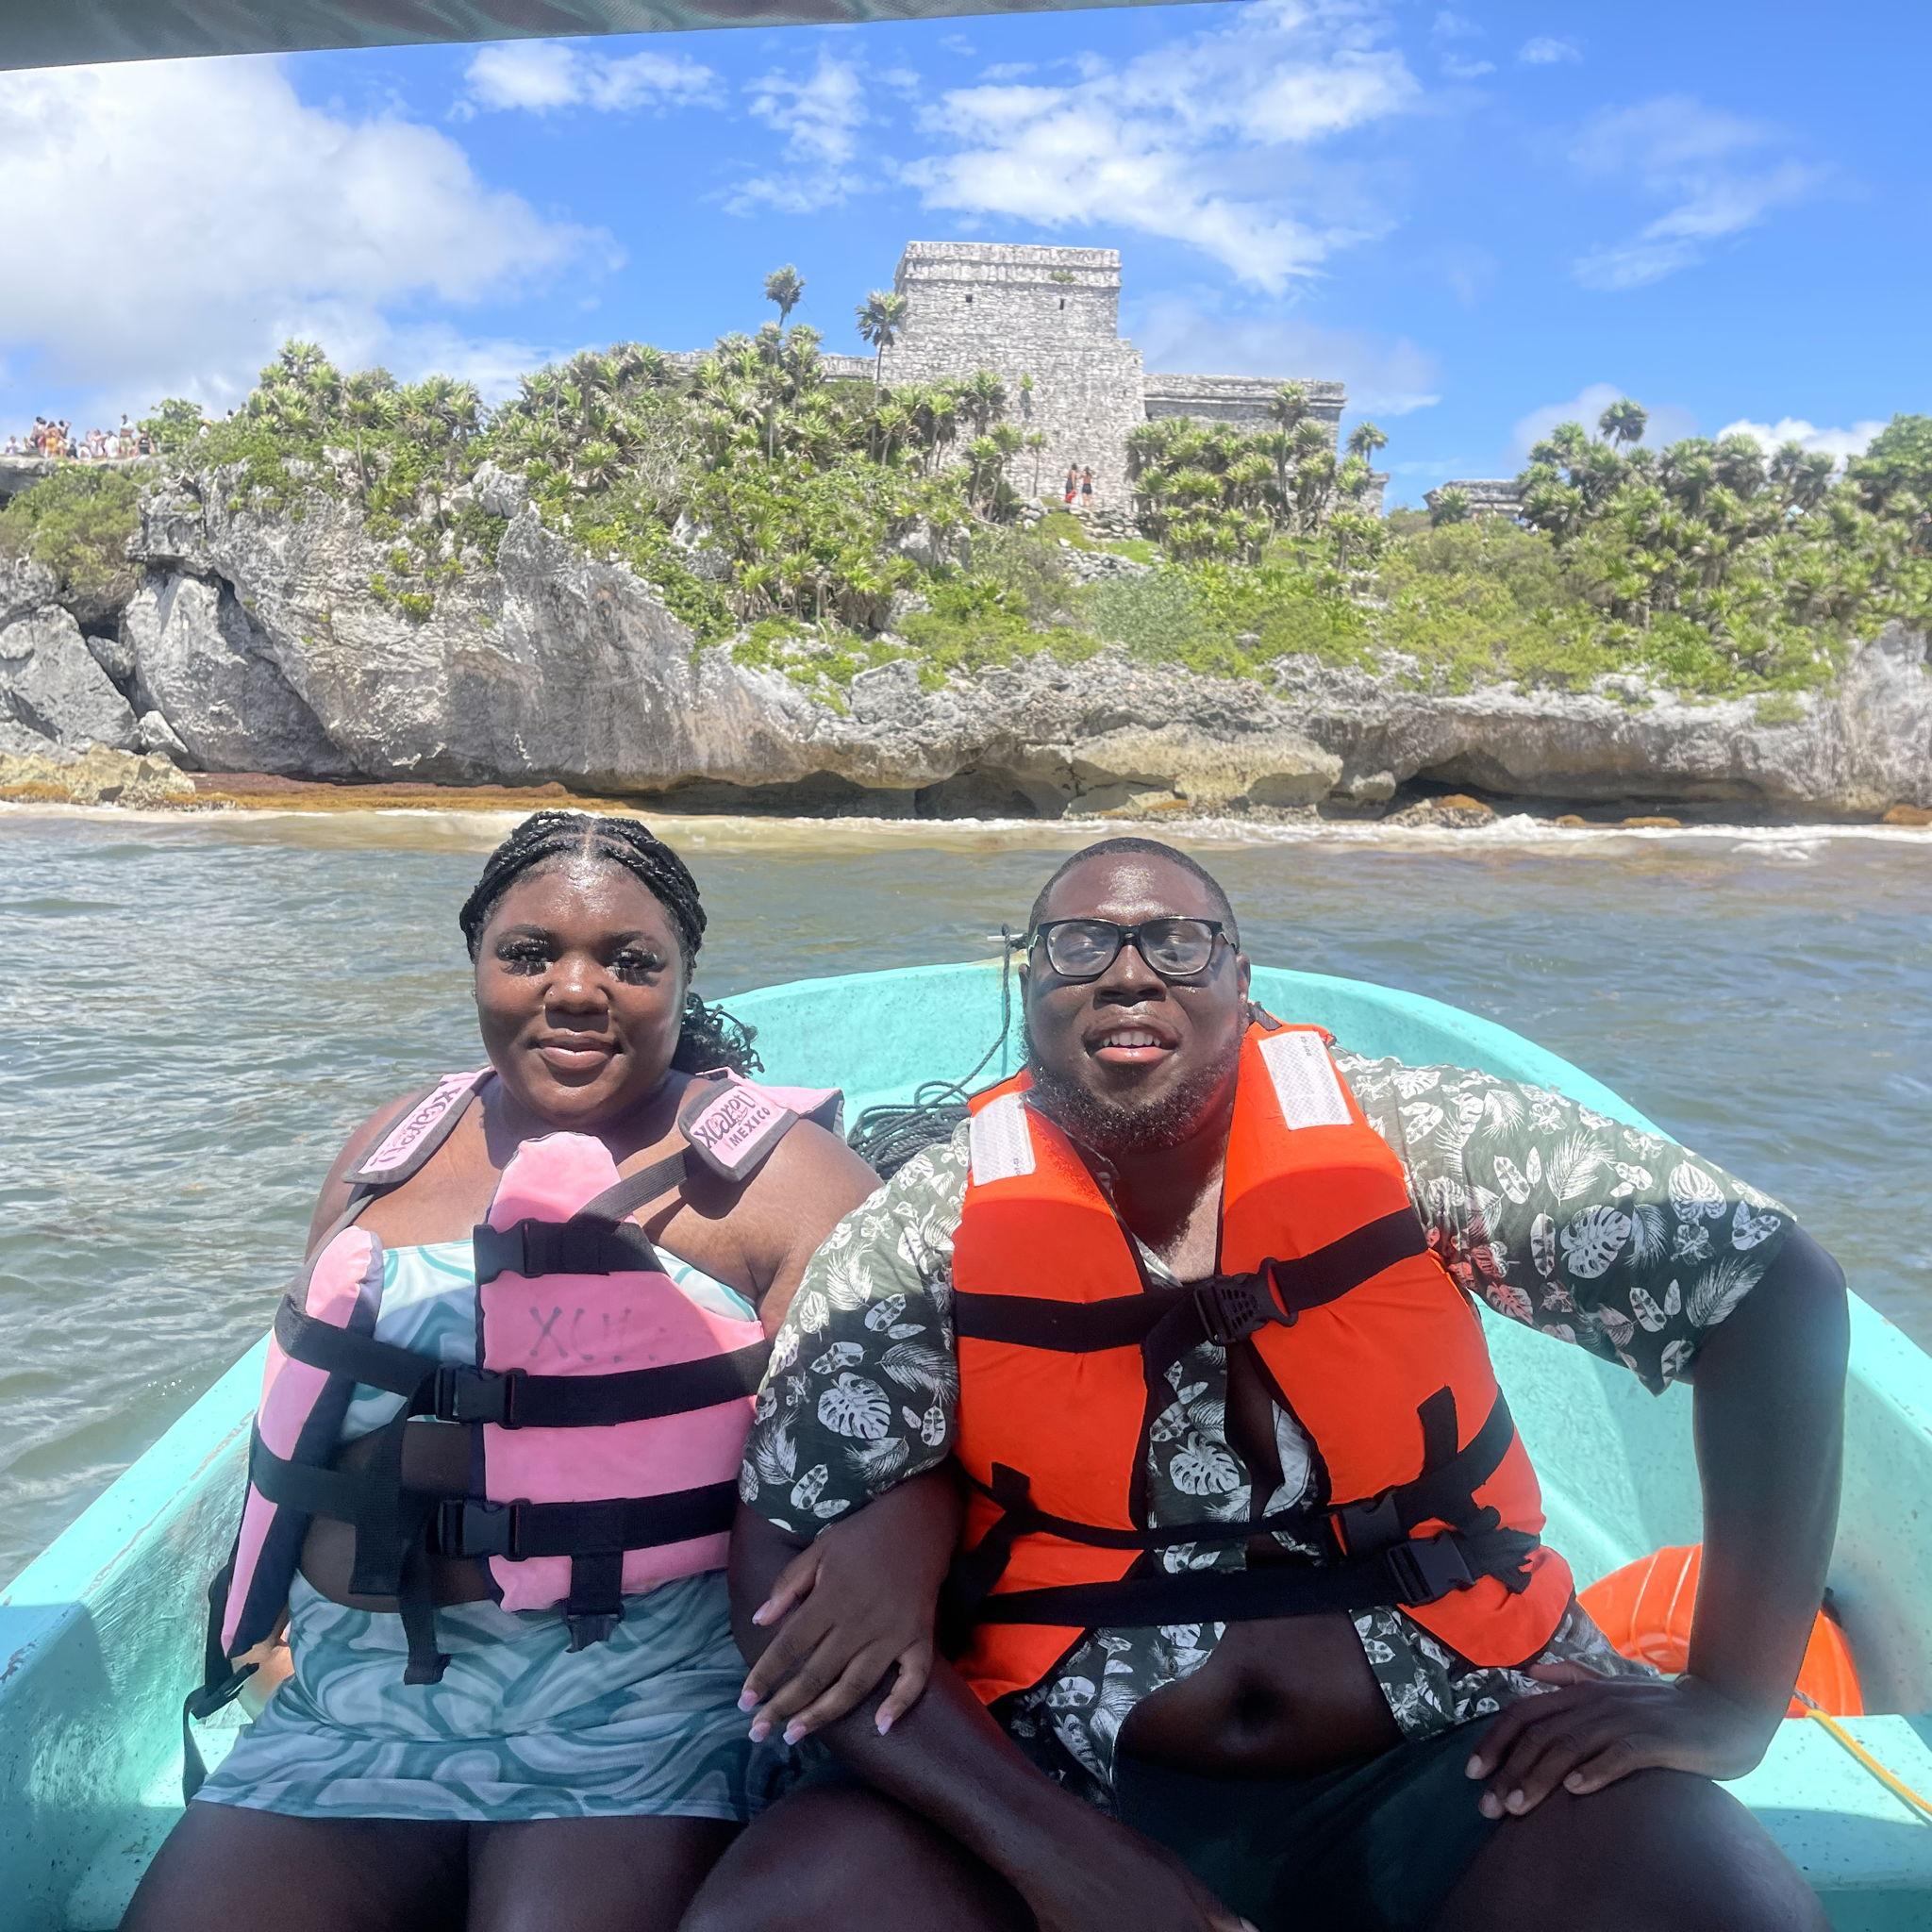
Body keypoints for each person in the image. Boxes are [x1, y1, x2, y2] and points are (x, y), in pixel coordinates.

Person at [694, 834, 1845, 1932]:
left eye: (1177, 942)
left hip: (1463, 1738)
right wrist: (1062, 1855)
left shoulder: (1421, 1136)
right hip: (1050, 1762)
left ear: (1241, 981)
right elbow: (779, 1549)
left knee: (1709, 1909)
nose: (1128, 973)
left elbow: (1765, 1283)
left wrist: (1730, 1696)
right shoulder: (921, 1232)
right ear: (1027, 987)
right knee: (789, 1909)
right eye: (1077, 946)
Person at [126, 810, 924, 1932]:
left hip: (643, 1704)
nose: (576, 989)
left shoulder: (783, 1184)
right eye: (530, 952)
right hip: (352, 1701)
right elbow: (308, 1416)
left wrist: (905, 1539)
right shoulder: (387, 1149)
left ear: (682, 978)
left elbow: (899, 1443)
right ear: (477, 963)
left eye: (629, 961)